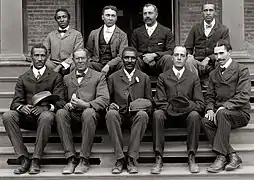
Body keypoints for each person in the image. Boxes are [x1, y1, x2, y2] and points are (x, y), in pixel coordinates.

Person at [2, 44, 65, 175]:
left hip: (46, 120)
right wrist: (22, 107)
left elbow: (61, 101)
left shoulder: (55, 77)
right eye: (36, 55)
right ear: (31, 57)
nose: (39, 58)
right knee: (8, 116)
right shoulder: (23, 77)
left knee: (46, 116)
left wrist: (47, 108)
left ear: (47, 57)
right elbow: (15, 102)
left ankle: (36, 159)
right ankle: (23, 158)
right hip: (28, 117)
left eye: (42, 55)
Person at [151, 46, 205, 174]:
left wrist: (185, 107)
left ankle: (192, 156)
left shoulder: (193, 77)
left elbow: (200, 103)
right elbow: (159, 101)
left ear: (186, 58)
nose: (179, 58)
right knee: (157, 114)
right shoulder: (163, 77)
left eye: (182, 55)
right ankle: (158, 157)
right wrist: (174, 108)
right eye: (176, 55)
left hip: (186, 117)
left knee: (195, 115)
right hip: (168, 116)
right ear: (172, 57)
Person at [55, 48, 109, 174]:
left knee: (88, 112)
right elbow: (60, 99)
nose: (80, 61)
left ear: (88, 59)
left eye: (82, 58)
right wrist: (66, 104)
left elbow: (104, 98)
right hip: (73, 114)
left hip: (91, 114)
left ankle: (84, 159)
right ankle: (70, 158)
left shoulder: (98, 76)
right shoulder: (66, 78)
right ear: (73, 60)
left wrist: (87, 104)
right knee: (60, 113)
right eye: (77, 58)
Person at [202, 40, 251, 173]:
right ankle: (232, 155)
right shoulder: (213, 74)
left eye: (222, 53)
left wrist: (225, 106)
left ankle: (221, 157)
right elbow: (209, 96)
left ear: (229, 52)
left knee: (222, 114)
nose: (219, 58)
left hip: (239, 112)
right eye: (216, 54)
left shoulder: (241, 69)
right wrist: (210, 108)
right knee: (206, 121)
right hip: (219, 112)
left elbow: (244, 95)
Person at [105, 47, 153, 174]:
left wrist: (137, 106)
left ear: (136, 59)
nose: (129, 60)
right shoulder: (113, 78)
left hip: (136, 116)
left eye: (132, 58)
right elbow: (107, 100)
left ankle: (131, 158)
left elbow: (150, 103)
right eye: (126, 58)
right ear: (122, 59)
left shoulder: (144, 78)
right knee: (110, 114)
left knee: (143, 115)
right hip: (119, 115)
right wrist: (110, 106)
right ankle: (120, 159)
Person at [184, 3, 230, 88]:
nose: (208, 13)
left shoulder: (223, 29)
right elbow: (188, 47)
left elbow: (225, 49)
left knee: (221, 61)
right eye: (205, 10)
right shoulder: (195, 28)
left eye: (211, 10)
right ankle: (195, 86)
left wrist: (209, 58)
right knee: (188, 61)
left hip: (213, 63)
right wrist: (189, 55)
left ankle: (214, 85)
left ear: (215, 12)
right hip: (197, 61)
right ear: (202, 12)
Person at [131, 3, 175, 75]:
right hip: (142, 62)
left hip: (160, 62)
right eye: (145, 13)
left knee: (168, 58)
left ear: (156, 15)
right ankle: (137, 84)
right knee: (134, 60)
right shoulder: (137, 32)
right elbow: (133, 50)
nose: (147, 16)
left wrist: (155, 55)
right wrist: (145, 57)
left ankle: (168, 83)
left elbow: (171, 51)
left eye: (150, 13)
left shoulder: (166, 31)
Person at [86, 5, 128, 76]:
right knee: (86, 65)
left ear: (116, 18)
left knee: (123, 64)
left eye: (113, 16)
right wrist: (90, 60)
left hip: (115, 66)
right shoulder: (94, 33)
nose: (110, 18)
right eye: (107, 15)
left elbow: (122, 55)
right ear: (103, 17)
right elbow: (89, 51)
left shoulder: (122, 35)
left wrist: (109, 65)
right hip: (97, 64)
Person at [43, 8, 84, 75]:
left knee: (76, 64)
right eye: (58, 18)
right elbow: (44, 51)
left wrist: (62, 65)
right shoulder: (51, 35)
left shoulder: (77, 34)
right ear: (56, 20)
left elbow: (77, 52)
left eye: (64, 17)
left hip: (70, 64)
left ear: (69, 19)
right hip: (53, 64)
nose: (61, 20)